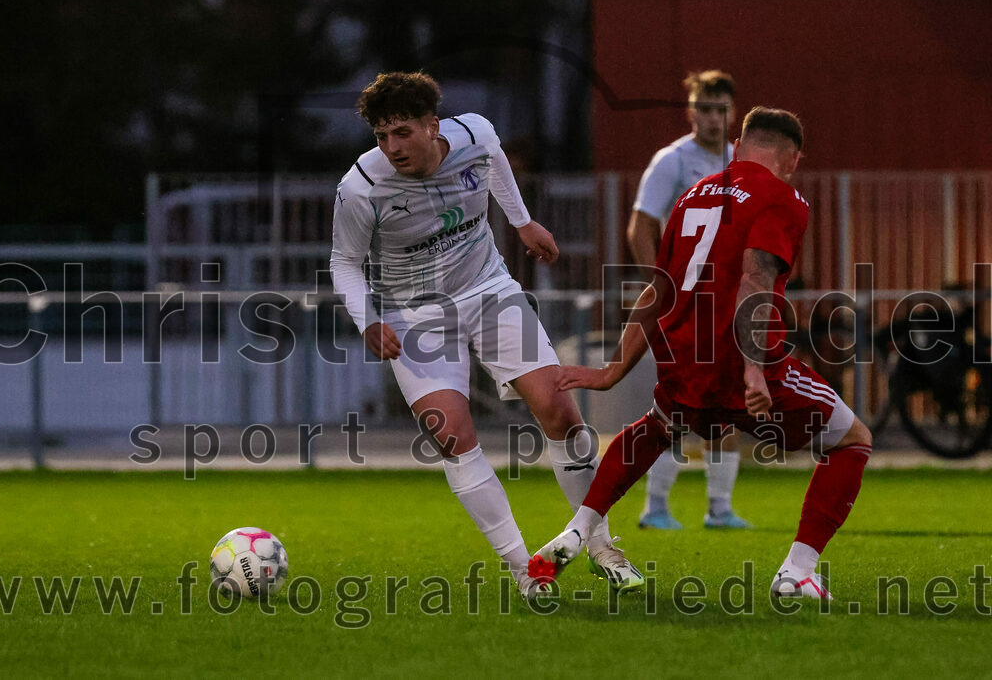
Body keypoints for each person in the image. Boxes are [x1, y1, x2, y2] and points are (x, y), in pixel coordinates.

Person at [531, 108, 872, 599]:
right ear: (792, 159)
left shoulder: (693, 196)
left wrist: (612, 370)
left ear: (737, 147)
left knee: (656, 427)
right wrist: (755, 369)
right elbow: (756, 279)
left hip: (684, 355)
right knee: (851, 440)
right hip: (742, 359)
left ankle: (581, 528)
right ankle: (797, 572)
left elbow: (658, 289)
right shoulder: (783, 197)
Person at [329, 71, 644, 598]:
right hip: (415, 315)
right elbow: (343, 262)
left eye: (402, 132)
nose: (392, 147)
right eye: (382, 136)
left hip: (490, 290)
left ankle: (599, 544)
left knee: (560, 412)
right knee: (451, 435)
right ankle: (527, 571)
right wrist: (369, 320)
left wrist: (521, 222)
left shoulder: (474, 133)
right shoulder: (361, 187)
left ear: (434, 126)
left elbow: (494, 160)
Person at [627, 70, 750, 530]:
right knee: (682, 407)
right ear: (691, 111)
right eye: (704, 108)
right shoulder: (673, 161)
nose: (713, 118)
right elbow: (641, 224)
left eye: (721, 109)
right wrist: (659, 285)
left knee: (725, 407)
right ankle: (654, 506)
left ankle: (719, 509)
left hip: (728, 304)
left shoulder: (742, 162)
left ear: (732, 112)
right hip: (686, 305)